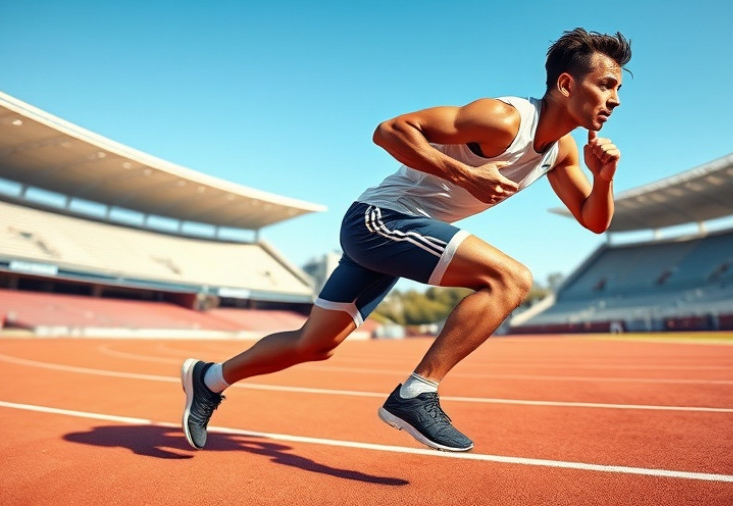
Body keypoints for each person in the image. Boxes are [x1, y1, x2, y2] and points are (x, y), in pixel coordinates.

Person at [182, 27, 631, 453]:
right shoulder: (503, 119)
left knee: (315, 344)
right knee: (510, 280)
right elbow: (389, 130)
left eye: (618, 90)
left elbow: (593, 221)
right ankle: (416, 393)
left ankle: (210, 378)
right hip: (378, 219)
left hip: (402, 234)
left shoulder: (562, 151)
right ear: (567, 84)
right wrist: (465, 173)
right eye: (606, 84)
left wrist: (604, 178)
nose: (614, 99)